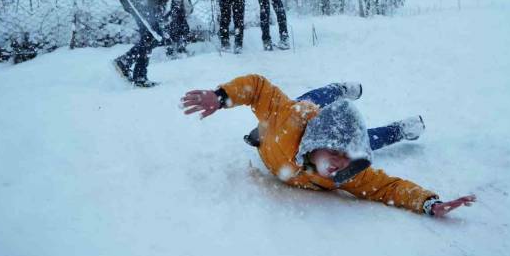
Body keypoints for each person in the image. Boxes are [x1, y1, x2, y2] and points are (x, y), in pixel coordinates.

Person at [181, 75, 477, 217]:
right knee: (311, 99)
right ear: (318, 142)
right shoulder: (287, 118)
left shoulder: (346, 171)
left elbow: (387, 187)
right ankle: (341, 89)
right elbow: (258, 88)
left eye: (346, 160)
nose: (338, 164)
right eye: (335, 152)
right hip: (299, 119)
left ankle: (401, 129)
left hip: (322, 132)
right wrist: (221, 96)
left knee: (370, 140)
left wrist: (428, 202)